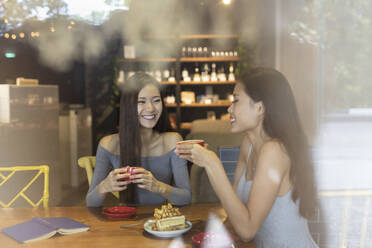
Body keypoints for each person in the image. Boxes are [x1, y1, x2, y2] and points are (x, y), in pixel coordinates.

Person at [176, 67, 318, 247]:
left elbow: (246, 231)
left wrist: (212, 164)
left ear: (260, 108)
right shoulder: (248, 144)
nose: (229, 108)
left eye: (236, 101)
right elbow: (235, 214)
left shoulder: (275, 151)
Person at [87, 72, 191, 207]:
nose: (151, 108)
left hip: (161, 223)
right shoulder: (109, 144)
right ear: (128, 106)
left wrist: (158, 187)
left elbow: (186, 198)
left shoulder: (172, 141)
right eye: (141, 102)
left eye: (156, 100)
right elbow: (90, 202)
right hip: (126, 223)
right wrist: (104, 186)